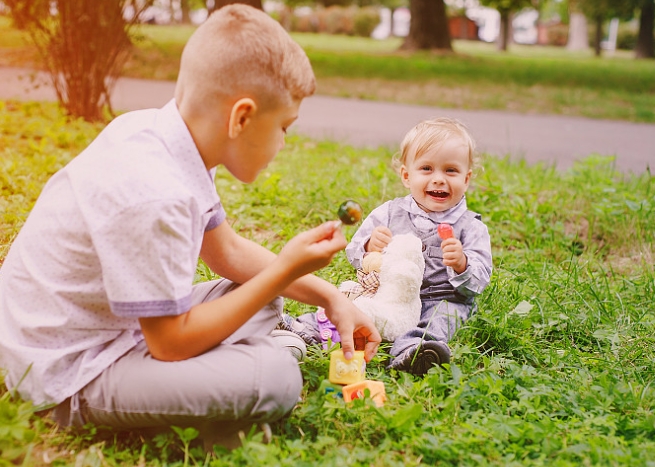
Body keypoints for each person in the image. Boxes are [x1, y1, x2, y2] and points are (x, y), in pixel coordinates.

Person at [0, 4, 380, 449]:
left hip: (119, 325)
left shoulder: (172, 138)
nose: (284, 142)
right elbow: (171, 345)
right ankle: (204, 416)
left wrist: (329, 296)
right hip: (71, 369)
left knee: (263, 299)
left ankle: (211, 388)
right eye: (283, 127)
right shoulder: (156, 192)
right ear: (241, 117)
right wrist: (283, 269)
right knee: (276, 376)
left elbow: (227, 255)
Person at [284, 117, 492, 376]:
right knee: (356, 307)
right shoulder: (390, 213)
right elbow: (354, 251)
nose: (439, 179)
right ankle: (304, 329)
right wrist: (370, 245)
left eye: (451, 171)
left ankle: (414, 351)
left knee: (439, 320)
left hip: (442, 298)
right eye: (426, 169)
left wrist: (462, 264)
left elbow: (480, 280)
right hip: (389, 294)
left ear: (467, 178)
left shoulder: (470, 227)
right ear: (407, 175)